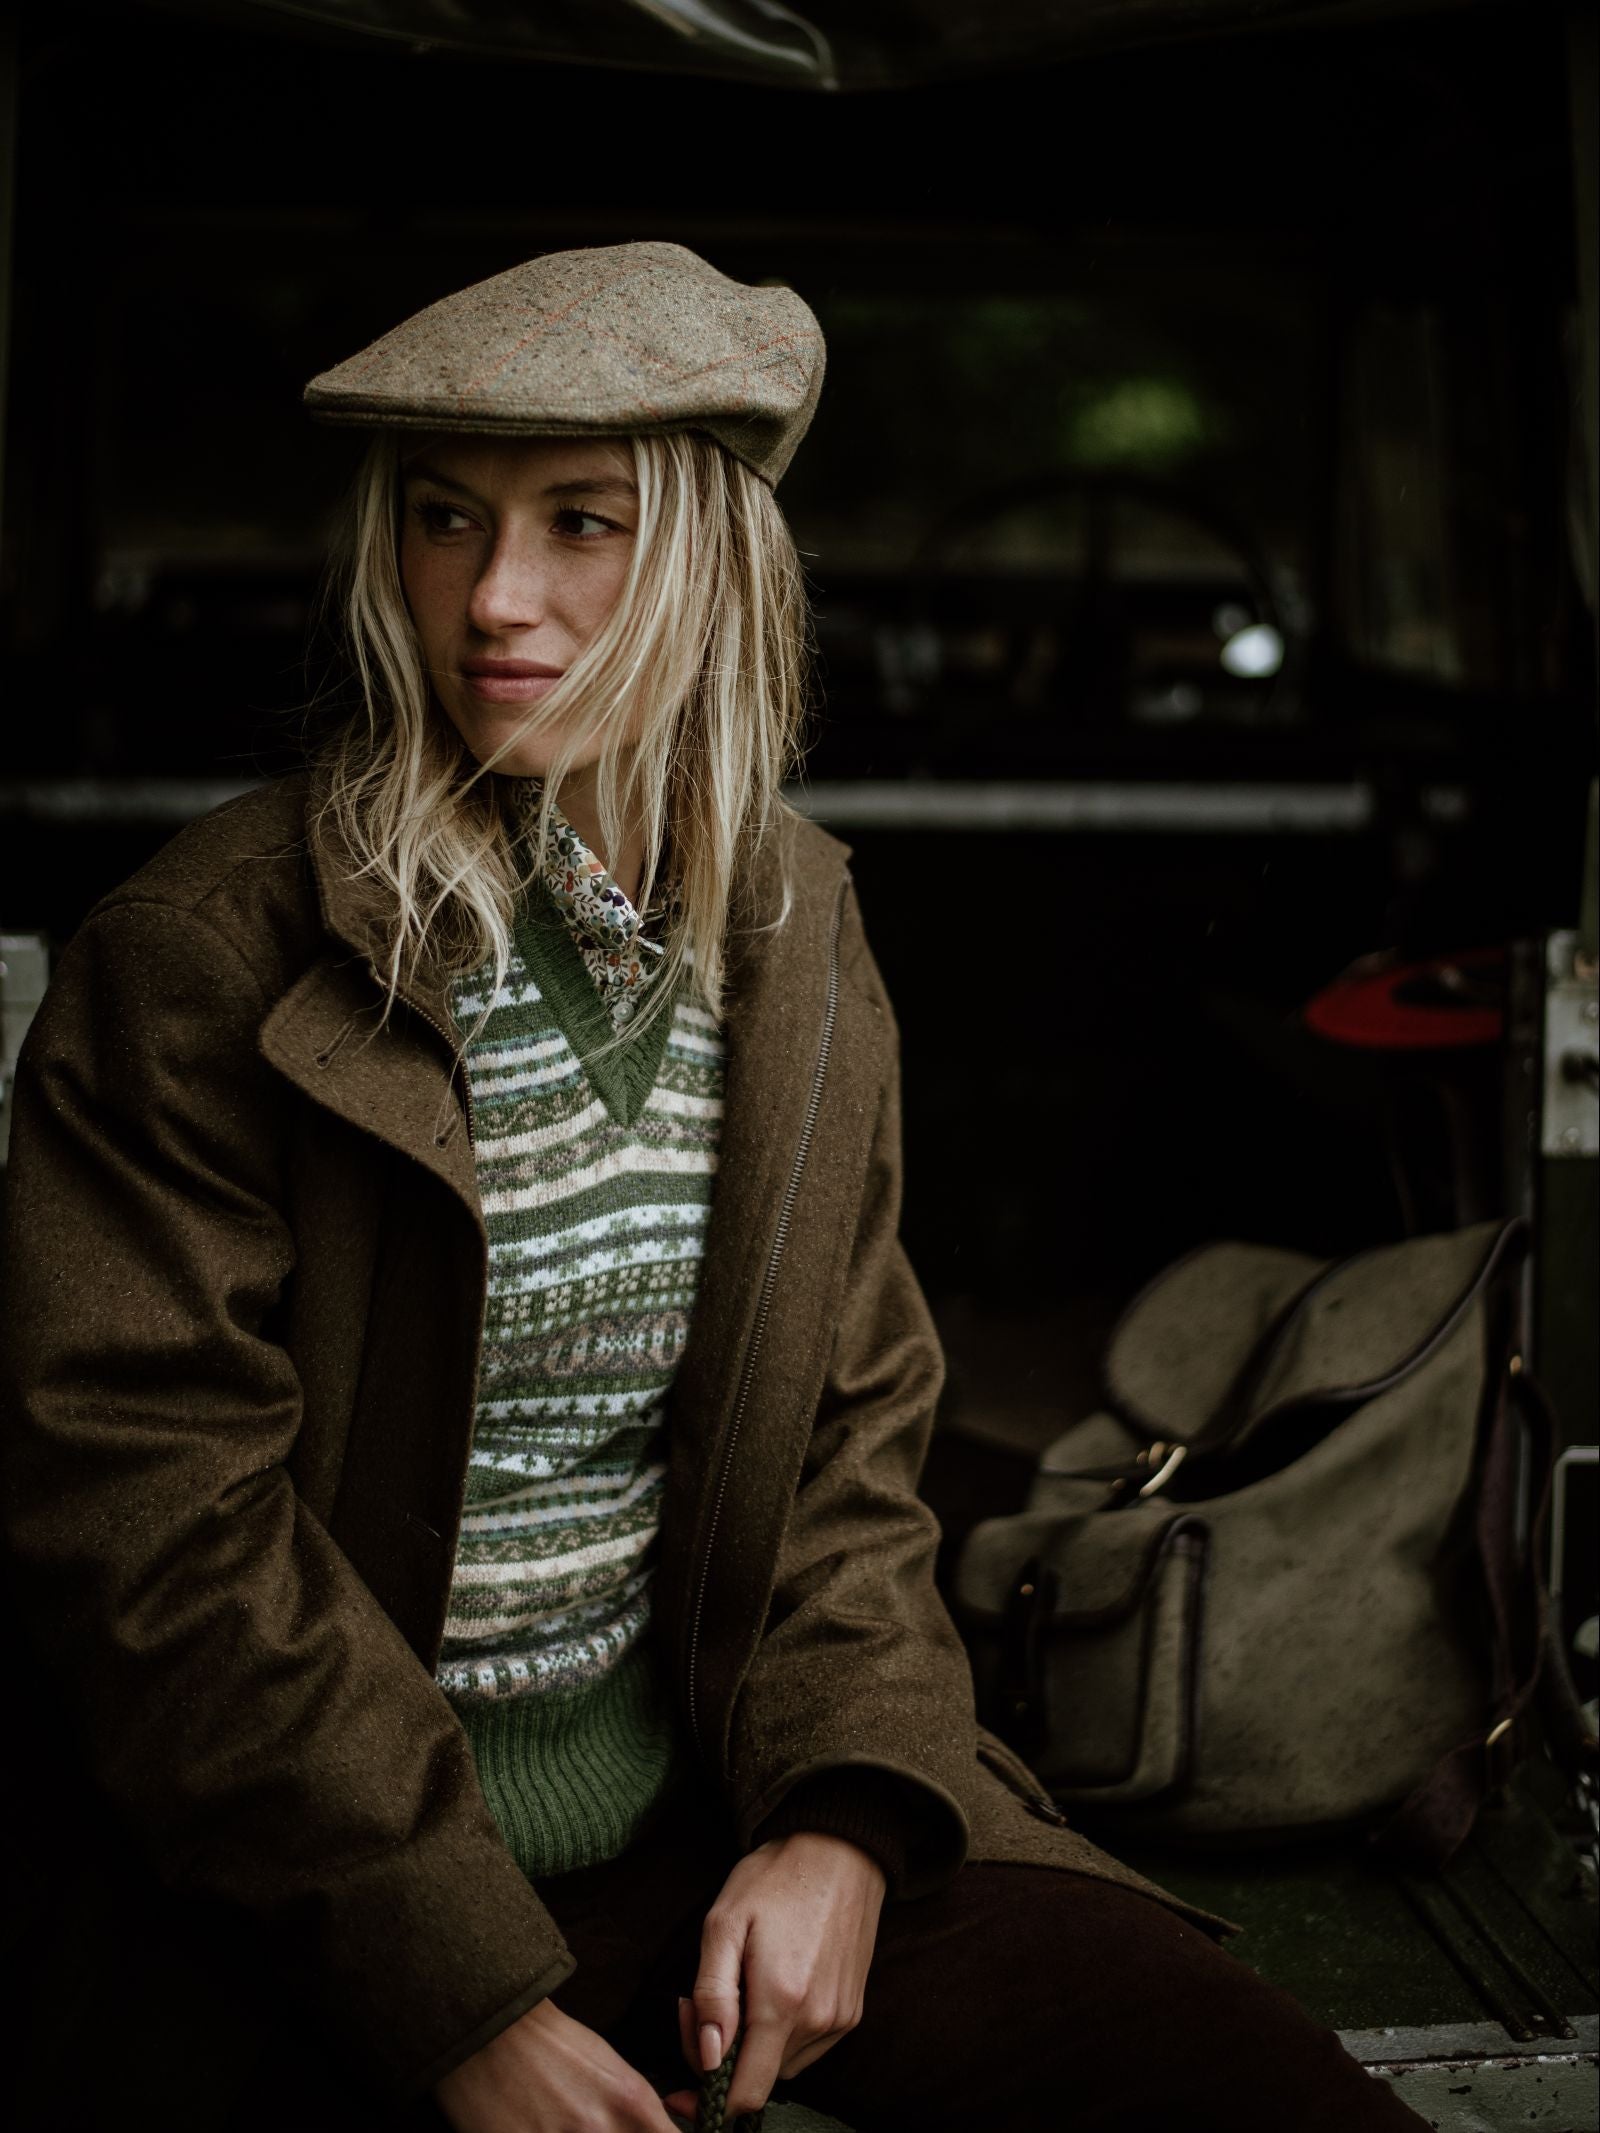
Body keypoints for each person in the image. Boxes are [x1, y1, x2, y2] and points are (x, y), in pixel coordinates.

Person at [0, 242, 1427, 2133]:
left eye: (580, 524)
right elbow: (162, 1545)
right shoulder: (201, 955)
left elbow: (849, 1440)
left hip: (699, 1816)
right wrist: (454, 1994)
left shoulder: (797, 926)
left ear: (708, 562)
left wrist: (844, 1819)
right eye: (445, 519)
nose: (496, 599)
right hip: (298, 1882)